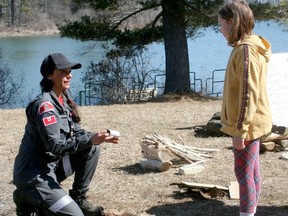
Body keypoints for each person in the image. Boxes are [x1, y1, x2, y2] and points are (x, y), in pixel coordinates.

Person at [13, 53, 119, 216]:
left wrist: (99, 137)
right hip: (34, 176)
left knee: (92, 148)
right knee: (75, 215)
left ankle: (78, 198)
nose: (69, 75)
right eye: (63, 72)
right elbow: (55, 145)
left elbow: (76, 132)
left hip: (51, 169)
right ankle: (28, 198)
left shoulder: (62, 101)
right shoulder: (45, 107)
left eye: (69, 71)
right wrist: (90, 139)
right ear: (49, 76)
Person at [218, 1, 272, 216]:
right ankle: (252, 211)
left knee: (243, 174)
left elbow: (247, 95)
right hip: (254, 121)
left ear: (232, 22)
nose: (220, 30)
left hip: (248, 124)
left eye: (221, 25)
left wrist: (240, 130)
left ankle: (247, 214)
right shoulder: (251, 46)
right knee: (252, 170)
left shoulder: (246, 50)